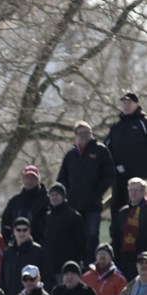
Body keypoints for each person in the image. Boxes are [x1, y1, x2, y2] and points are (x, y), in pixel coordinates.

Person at [56, 121, 116, 265]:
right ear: (75, 136)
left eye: (87, 133)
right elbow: (61, 178)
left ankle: (91, 266)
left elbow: (110, 174)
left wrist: (97, 193)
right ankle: (76, 265)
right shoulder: (71, 155)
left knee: (92, 236)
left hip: (93, 204)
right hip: (74, 205)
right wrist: (67, 195)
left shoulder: (100, 151)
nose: (84, 136)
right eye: (81, 134)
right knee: (74, 237)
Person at [105, 92, 147, 229]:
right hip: (118, 179)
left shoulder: (143, 123)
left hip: (139, 180)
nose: (126, 106)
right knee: (117, 213)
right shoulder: (117, 126)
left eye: (129, 103)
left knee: (138, 215)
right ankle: (117, 243)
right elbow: (106, 149)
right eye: (124, 103)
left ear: (137, 104)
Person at [0, 217, 54, 295]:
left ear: (29, 231)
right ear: (14, 231)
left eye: (25, 230)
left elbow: (48, 278)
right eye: (18, 230)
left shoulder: (39, 252)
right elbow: (3, 279)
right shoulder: (8, 253)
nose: (22, 233)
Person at [42, 183, 86, 286]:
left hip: (65, 269)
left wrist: (75, 263)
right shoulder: (48, 216)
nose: (54, 197)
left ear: (63, 197)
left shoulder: (74, 217)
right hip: (49, 268)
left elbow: (81, 244)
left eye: (57, 195)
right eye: (52, 195)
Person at [0, 165, 51, 245]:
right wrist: (7, 243)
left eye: (33, 178)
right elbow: (6, 224)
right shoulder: (15, 201)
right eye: (27, 177)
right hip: (17, 248)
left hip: (38, 249)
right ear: (22, 179)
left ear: (38, 180)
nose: (29, 181)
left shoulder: (46, 201)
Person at [111, 177, 147, 282]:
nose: (133, 193)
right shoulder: (123, 212)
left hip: (143, 261)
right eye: (131, 190)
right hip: (125, 260)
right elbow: (115, 236)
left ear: (144, 192)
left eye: (136, 190)